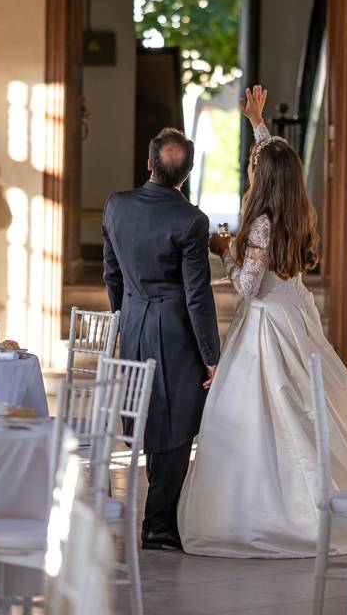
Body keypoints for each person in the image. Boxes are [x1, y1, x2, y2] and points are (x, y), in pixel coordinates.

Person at [177, 85, 347, 558]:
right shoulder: (297, 210)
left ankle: (277, 517)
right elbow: (275, 158)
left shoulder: (262, 222)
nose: (249, 168)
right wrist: (256, 123)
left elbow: (246, 286)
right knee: (308, 411)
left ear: (261, 179)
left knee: (265, 416)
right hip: (296, 316)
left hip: (266, 326)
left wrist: (225, 254)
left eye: (252, 167)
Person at [102, 127, 221, 551]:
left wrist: (124, 316)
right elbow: (197, 294)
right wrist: (212, 355)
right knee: (174, 423)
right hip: (173, 332)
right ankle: (158, 526)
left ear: (149, 164)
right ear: (185, 175)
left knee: (148, 416)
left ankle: (159, 518)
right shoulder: (191, 220)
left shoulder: (116, 205)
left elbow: (111, 273)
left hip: (133, 322)